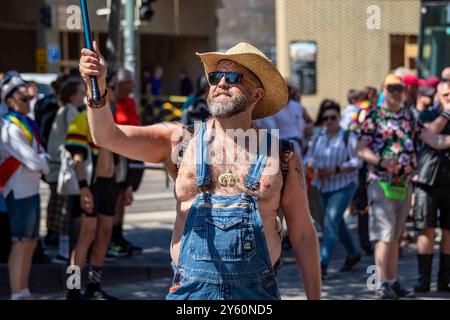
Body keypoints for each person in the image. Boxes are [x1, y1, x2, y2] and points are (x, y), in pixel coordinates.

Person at [79, 41, 321, 300]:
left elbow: (303, 234)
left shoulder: (282, 155)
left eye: (234, 77)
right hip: (190, 296)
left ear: (257, 94)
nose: (221, 83)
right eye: (216, 76)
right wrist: (97, 87)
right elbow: (107, 136)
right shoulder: (180, 141)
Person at [356, 74, 450, 299]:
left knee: (395, 236)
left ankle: (392, 281)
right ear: (383, 90)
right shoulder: (373, 115)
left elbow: (434, 139)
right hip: (381, 182)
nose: (396, 92)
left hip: (404, 183)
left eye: (400, 88)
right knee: (384, 234)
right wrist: (380, 161)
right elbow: (360, 148)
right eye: (391, 88)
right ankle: (380, 284)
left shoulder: (408, 116)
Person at [65, 83, 120, 300]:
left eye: (111, 88)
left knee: (105, 234)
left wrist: (123, 187)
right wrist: (83, 188)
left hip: (109, 185)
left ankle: (94, 287)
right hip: (91, 185)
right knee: (85, 236)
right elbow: (77, 157)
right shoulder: (82, 118)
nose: (110, 92)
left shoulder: (111, 119)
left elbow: (119, 158)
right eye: (108, 88)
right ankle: (73, 289)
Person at [1, 75, 49, 300]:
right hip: (18, 191)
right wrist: (44, 161)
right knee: (20, 242)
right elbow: (34, 160)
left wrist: (42, 161)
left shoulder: (26, 123)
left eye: (28, 99)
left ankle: (24, 289)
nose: (27, 103)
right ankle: (17, 292)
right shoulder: (10, 128)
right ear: (9, 101)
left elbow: (38, 159)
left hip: (30, 189)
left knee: (30, 242)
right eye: (22, 99)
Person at [305, 99, 362, 279]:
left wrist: (335, 170)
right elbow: (309, 157)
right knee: (335, 221)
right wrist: (313, 166)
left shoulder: (348, 136)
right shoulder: (319, 136)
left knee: (330, 223)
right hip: (323, 185)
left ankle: (321, 264)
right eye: (326, 118)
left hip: (344, 185)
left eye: (333, 118)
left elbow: (357, 161)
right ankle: (353, 252)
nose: (329, 121)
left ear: (339, 118)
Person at [413, 80, 450, 293]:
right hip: (427, 180)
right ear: (438, 96)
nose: (449, 98)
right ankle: (423, 279)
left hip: (449, 181)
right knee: (426, 229)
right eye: (446, 95)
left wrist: (440, 139)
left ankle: (444, 279)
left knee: (448, 231)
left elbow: (437, 139)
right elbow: (429, 135)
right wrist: (446, 114)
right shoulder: (427, 115)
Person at [45, 77, 84, 263]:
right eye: (81, 94)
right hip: (64, 170)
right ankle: (64, 253)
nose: (83, 97)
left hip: (55, 169)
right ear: (72, 96)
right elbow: (73, 142)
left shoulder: (63, 111)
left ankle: (62, 250)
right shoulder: (71, 112)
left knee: (60, 210)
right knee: (65, 213)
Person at [108, 69, 141, 257]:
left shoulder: (130, 102)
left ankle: (119, 235)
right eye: (129, 82)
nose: (133, 86)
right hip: (115, 156)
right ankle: (112, 238)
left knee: (123, 198)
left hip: (130, 156)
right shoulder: (111, 105)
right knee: (115, 199)